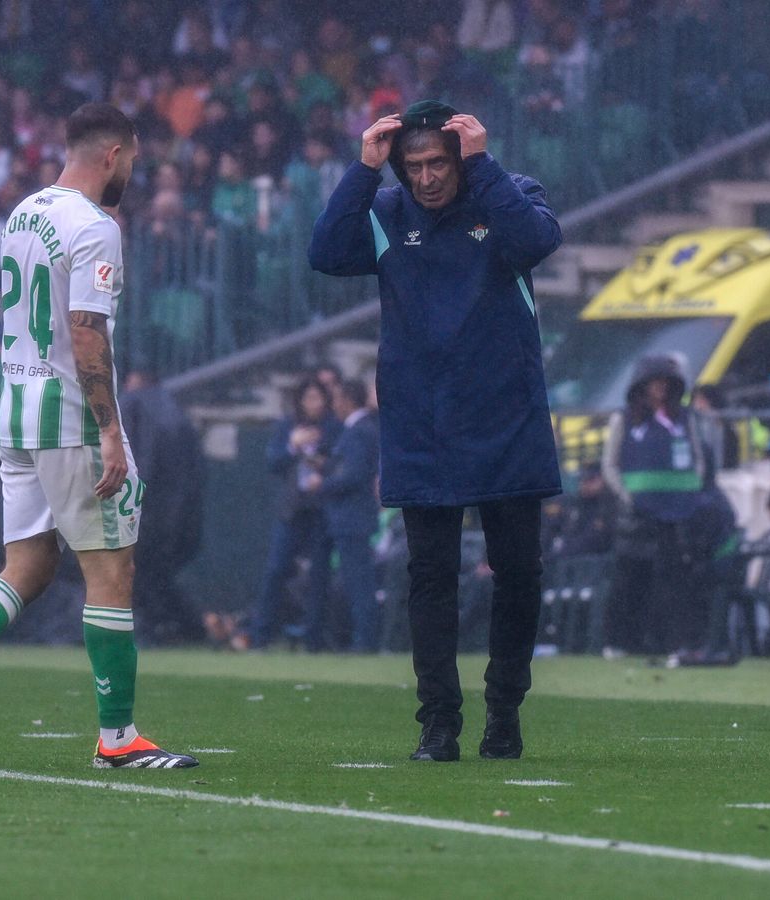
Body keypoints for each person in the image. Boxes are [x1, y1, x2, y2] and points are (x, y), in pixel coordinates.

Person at [0, 103, 198, 770]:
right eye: (134, 162)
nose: (132, 175)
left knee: (27, 568)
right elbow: (87, 331)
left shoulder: (24, 213)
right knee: (111, 570)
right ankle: (118, 740)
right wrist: (111, 430)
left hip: (16, 410)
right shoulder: (97, 225)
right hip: (69, 417)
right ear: (113, 155)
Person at [309, 100, 562, 761]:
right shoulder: (386, 213)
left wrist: (483, 163)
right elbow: (327, 252)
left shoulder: (508, 195)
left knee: (518, 573)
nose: (426, 178)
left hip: (507, 416)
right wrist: (365, 169)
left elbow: (537, 242)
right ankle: (438, 725)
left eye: (439, 162)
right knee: (430, 579)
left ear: (461, 157)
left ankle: (504, 713)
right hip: (424, 423)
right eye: (413, 165)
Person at [601, 355, 732, 658]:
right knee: (630, 578)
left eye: (666, 383)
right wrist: (628, 496)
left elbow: (700, 460)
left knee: (672, 581)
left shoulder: (685, 419)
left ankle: (669, 642)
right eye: (654, 382)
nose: (660, 388)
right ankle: (620, 641)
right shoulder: (624, 419)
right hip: (637, 515)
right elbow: (611, 464)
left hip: (678, 514)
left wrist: (691, 493)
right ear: (642, 386)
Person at [246, 376, 340, 650]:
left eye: (317, 397)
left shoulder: (334, 428)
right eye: (307, 398)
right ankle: (261, 636)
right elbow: (274, 462)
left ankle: (314, 640)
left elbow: (341, 463)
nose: (313, 404)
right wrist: (293, 446)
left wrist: (322, 463)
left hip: (321, 510)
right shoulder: (288, 426)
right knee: (276, 571)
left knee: (319, 575)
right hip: (292, 510)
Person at [117, 368, 205, 645]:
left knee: (144, 580)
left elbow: (141, 466)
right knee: (155, 580)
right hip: (180, 520)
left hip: (146, 518)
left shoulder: (136, 410)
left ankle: (183, 629)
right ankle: (187, 630)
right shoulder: (177, 417)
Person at [316, 379, 381, 652]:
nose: (334, 405)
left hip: (353, 518)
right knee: (357, 581)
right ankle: (363, 640)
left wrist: (323, 483)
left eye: (337, 399)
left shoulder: (358, 431)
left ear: (346, 400)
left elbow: (353, 475)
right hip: (354, 518)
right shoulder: (361, 430)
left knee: (359, 584)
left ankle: (365, 642)